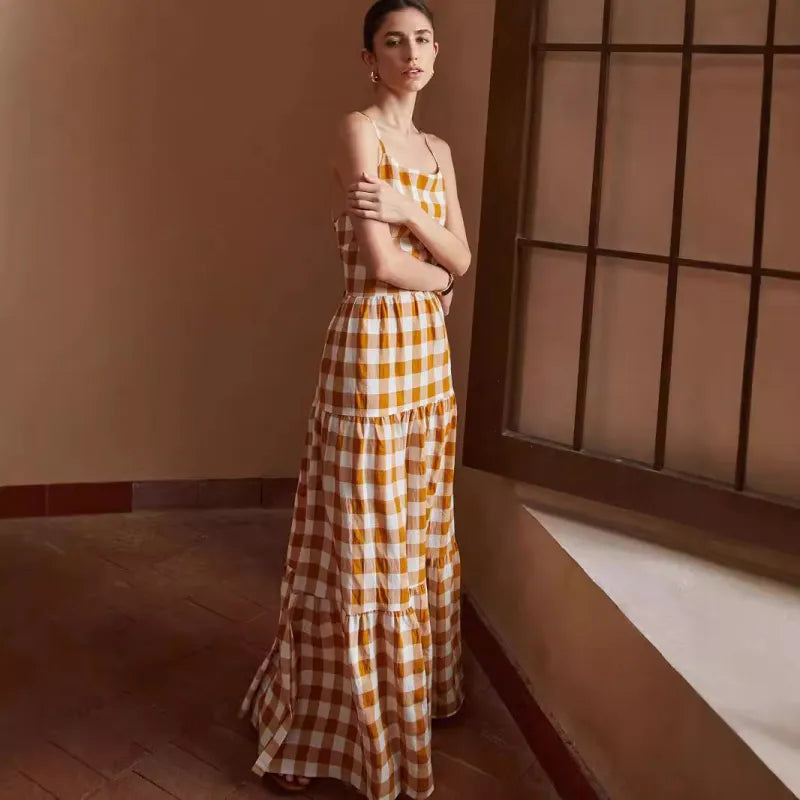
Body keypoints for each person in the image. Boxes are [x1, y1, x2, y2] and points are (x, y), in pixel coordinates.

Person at [240, 1, 471, 797]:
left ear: (436, 51)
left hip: (427, 364)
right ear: (370, 57)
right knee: (362, 540)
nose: (412, 53)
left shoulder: (438, 150)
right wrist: (438, 270)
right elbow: (385, 265)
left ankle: (415, 697)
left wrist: (409, 212)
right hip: (371, 352)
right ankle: (333, 726)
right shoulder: (357, 130)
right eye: (394, 41)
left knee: (416, 528)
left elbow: (463, 254)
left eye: (423, 39)